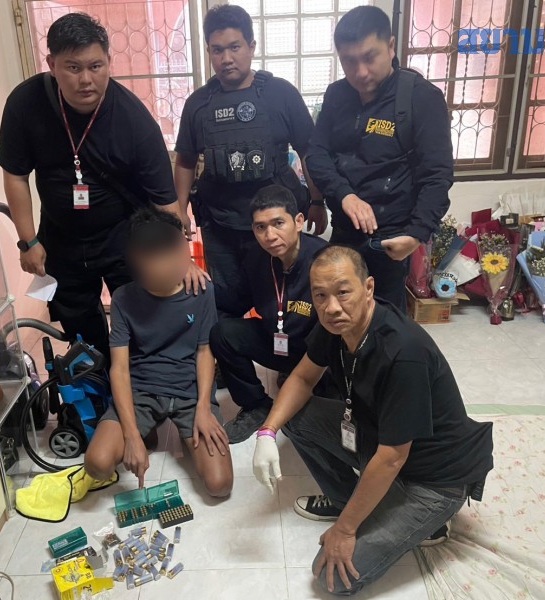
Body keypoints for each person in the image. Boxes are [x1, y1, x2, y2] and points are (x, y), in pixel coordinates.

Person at [252, 245, 493, 595]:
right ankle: (348, 502)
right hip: (380, 440)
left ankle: (427, 521)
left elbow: (393, 456)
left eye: (343, 292)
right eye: (320, 295)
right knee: (295, 415)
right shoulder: (336, 326)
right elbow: (302, 379)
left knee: (331, 576)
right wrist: (266, 433)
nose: (331, 307)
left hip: (433, 479)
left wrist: (345, 530)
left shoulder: (403, 352)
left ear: (368, 288)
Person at [0, 12, 206, 364]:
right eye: (73, 67)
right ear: (51, 64)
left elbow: (166, 203)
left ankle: (137, 381)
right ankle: (99, 382)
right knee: (82, 332)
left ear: (109, 61)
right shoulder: (25, 104)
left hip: (124, 236)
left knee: (141, 320)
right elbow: (15, 175)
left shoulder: (133, 119)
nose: (86, 80)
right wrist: (28, 241)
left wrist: (180, 259)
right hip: (61, 237)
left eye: (96, 66)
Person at [174, 4, 328, 321]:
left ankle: (287, 350)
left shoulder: (280, 93)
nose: (226, 58)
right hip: (221, 226)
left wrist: (317, 201)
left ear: (251, 46)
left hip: (276, 225)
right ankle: (232, 351)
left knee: (287, 302)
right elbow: (185, 161)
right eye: (217, 50)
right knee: (226, 305)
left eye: (235, 47)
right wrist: (180, 211)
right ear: (208, 51)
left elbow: (308, 152)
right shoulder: (198, 104)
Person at [305, 6, 454, 312]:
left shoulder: (420, 97)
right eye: (349, 61)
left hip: (391, 240)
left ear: (390, 46)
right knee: (338, 315)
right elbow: (316, 155)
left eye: (369, 57)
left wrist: (416, 234)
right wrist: (344, 195)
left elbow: (437, 175)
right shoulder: (336, 95)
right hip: (344, 231)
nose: (360, 72)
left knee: (386, 322)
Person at [84, 209, 233, 497]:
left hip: (189, 392)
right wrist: (131, 435)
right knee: (98, 464)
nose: (163, 275)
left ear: (183, 256)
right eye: (153, 271)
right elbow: (119, 368)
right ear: (138, 268)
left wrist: (204, 408)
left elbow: (205, 352)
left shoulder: (202, 290)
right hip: (142, 391)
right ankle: (145, 431)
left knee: (220, 485)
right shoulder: (124, 298)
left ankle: (186, 436)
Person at [210, 185, 326, 443]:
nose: (269, 235)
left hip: (318, 356)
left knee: (317, 415)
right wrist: (198, 288)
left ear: (298, 221)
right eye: (260, 227)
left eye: (278, 223)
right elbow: (237, 300)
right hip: (277, 344)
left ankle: (311, 385)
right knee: (223, 333)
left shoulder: (324, 259)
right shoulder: (256, 258)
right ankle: (255, 405)